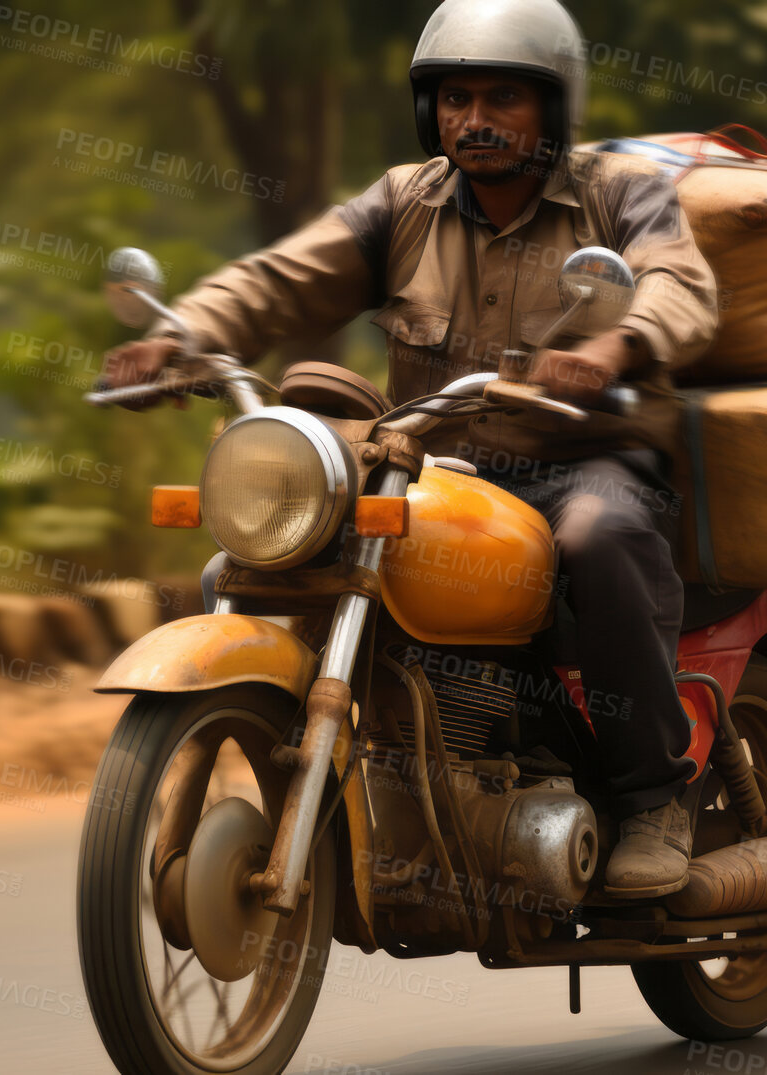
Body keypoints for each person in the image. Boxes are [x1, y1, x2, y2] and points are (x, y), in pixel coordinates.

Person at [103, 0, 719, 898]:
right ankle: (358, 772)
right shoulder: (404, 202)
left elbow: (678, 285)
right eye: (456, 97)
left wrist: (611, 348)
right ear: (431, 111)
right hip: (439, 465)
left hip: (583, 460)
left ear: (553, 108)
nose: (475, 118)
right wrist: (185, 333)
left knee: (601, 538)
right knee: (253, 562)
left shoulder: (618, 192)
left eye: (504, 96)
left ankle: (654, 796)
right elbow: (283, 278)